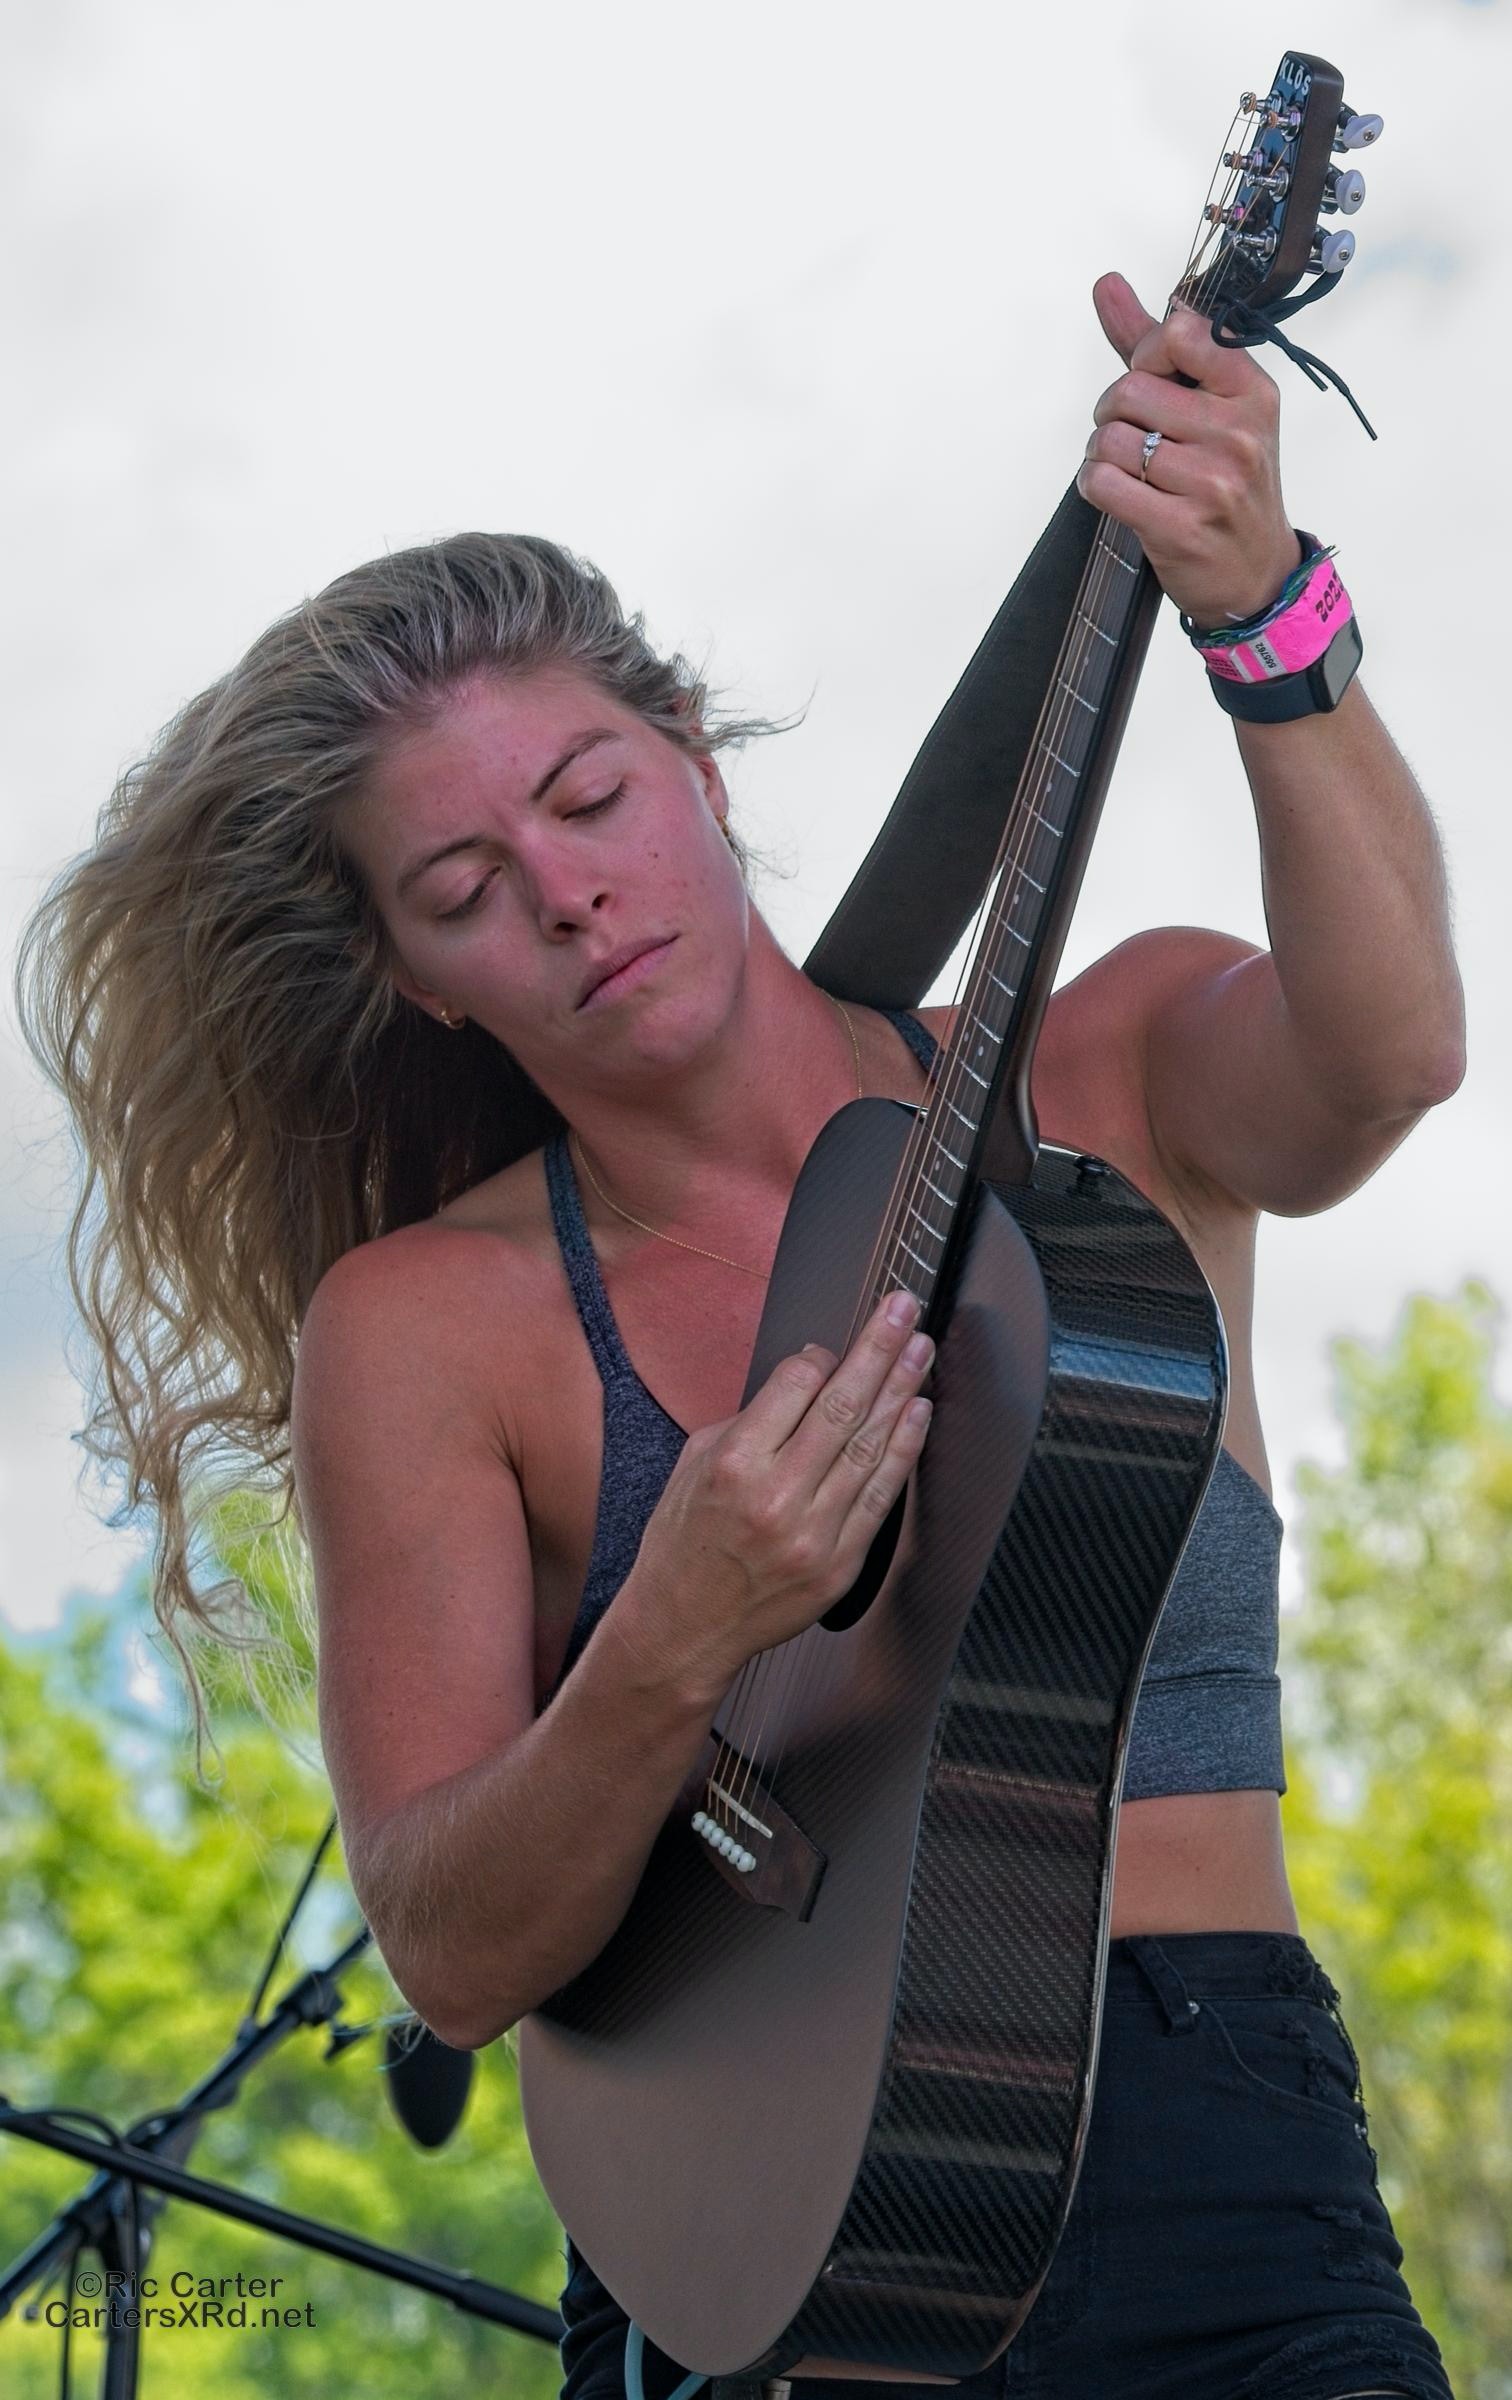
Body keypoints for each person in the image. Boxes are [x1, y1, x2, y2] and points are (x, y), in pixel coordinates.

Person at [13, 274, 1465, 2400]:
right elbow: (451, 1951)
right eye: (463, 889)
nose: (564, 893)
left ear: (695, 759)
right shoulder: (430, 1329)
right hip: (747, 2261)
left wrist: (1264, 614)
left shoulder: (1114, 1068)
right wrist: (672, 1633)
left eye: (589, 797)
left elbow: (1391, 1052)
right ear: (417, 979)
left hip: (1215, 2159)